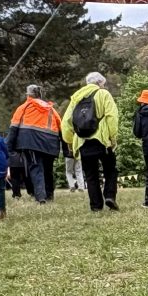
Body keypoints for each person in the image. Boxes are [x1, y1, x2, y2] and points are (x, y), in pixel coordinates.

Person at [61, 72, 120, 212]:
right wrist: (113, 137)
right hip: (102, 140)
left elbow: (66, 122)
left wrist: (69, 141)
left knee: (91, 175)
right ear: (99, 83)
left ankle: (96, 206)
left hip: (82, 141)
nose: (103, 86)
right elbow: (112, 117)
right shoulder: (103, 94)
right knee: (110, 170)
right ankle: (109, 196)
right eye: (103, 84)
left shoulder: (76, 97)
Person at [6, 84, 62, 204]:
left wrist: (9, 148)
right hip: (50, 143)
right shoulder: (50, 109)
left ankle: (40, 197)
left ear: (28, 95)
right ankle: (49, 196)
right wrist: (66, 148)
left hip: (31, 143)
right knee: (48, 170)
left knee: (36, 169)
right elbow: (60, 126)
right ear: (40, 94)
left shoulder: (23, 107)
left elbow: (13, 128)